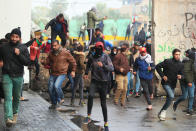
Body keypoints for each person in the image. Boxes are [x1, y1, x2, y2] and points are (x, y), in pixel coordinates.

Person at [0, 28, 30, 126]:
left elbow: (27, 62)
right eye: (13, 36)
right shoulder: (3, 47)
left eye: (16, 37)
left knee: (16, 98)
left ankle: (14, 113)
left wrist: (19, 54)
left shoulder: (23, 48)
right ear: (10, 36)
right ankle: (8, 118)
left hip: (18, 76)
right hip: (6, 75)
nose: (14, 38)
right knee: (8, 97)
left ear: (19, 38)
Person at [83, 42, 114, 131]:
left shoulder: (106, 57)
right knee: (90, 96)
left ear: (103, 48)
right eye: (97, 48)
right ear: (95, 48)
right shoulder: (92, 57)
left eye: (100, 48)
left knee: (103, 103)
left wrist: (103, 65)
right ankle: (88, 116)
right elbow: (88, 64)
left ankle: (106, 123)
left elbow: (111, 68)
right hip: (94, 81)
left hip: (104, 82)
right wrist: (86, 73)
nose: (99, 49)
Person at [41, 40, 76, 109]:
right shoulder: (51, 53)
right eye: (53, 46)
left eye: (55, 45)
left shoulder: (65, 53)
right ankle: (54, 103)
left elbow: (73, 62)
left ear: (59, 45)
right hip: (53, 73)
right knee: (50, 88)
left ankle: (61, 97)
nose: (54, 47)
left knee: (56, 86)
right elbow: (48, 61)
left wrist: (73, 71)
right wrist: (43, 62)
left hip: (62, 73)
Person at [156, 49, 183, 121]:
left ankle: (161, 111)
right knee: (171, 96)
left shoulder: (181, 64)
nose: (178, 56)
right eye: (176, 54)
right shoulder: (168, 61)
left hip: (173, 84)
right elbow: (157, 66)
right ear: (173, 55)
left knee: (169, 99)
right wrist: (163, 76)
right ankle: (163, 112)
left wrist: (180, 76)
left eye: (179, 54)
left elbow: (181, 73)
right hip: (166, 83)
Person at [173, 49, 196, 115]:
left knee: (191, 95)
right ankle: (176, 103)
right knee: (184, 96)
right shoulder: (181, 66)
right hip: (184, 82)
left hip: (191, 82)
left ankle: (190, 109)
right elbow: (181, 75)